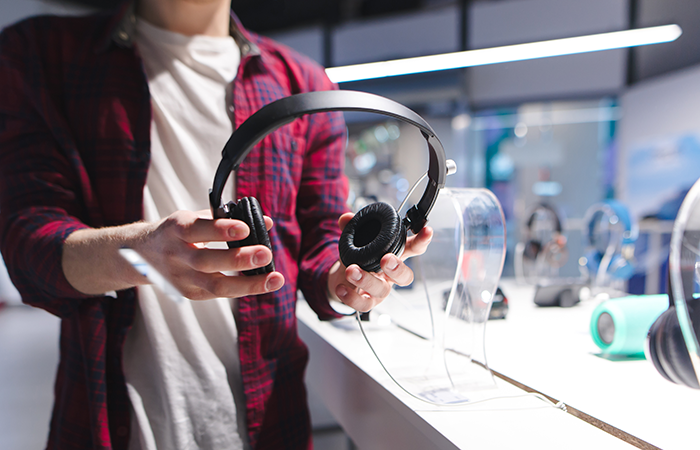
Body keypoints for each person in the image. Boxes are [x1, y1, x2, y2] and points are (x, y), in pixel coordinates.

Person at [0, 1, 432, 449]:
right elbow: (29, 245)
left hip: (269, 422)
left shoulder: (303, 84)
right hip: (109, 422)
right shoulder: (40, 54)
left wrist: (347, 281)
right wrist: (140, 253)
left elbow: (321, 241)